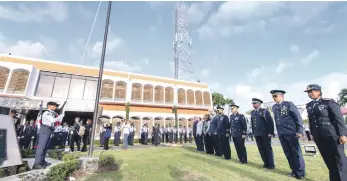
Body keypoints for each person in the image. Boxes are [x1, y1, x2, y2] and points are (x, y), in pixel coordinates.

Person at [304, 84, 347, 181]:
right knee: (328, 160)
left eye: (312, 91)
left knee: (340, 159)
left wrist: (343, 134)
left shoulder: (328, 102)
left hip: (332, 135)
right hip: (319, 136)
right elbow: (311, 121)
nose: (310, 93)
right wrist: (313, 134)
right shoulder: (309, 105)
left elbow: (339, 118)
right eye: (308, 92)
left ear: (319, 91)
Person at [270, 90, 306, 179]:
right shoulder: (274, 107)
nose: (274, 98)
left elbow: (297, 117)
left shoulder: (289, 104)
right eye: (273, 96)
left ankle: (300, 172)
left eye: (275, 96)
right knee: (288, 152)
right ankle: (293, 170)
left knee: (296, 152)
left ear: (281, 96)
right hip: (281, 133)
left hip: (291, 132)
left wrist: (300, 131)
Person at [33, 102, 64, 169]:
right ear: (49, 106)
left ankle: (42, 161)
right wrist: (61, 116)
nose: (56, 107)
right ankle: (36, 163)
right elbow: (52, 120)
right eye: (55, 106)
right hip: (45, 129)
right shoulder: (46, 113)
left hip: (49, 129)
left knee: (45, 147)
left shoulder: (53, 113)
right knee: (41, 147)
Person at [251, 98, 275, 169]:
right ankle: (266, 163)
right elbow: (253, 124)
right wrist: (253, 132)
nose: (253, 104)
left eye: (255, 103)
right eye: (253, 103)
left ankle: (271, 164)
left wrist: (270, 132)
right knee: (261, 148)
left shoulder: (264, 111)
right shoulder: (253, 112)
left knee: (267, 149)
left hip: (265, 133)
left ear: (259, 104)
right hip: (257, 133)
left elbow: (270, 122)